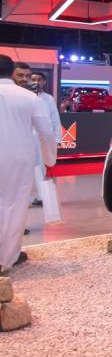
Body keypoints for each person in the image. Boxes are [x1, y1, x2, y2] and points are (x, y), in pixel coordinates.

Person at [0, 54, 57, 273]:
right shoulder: (29, 98)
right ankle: (7, 258)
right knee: (15, 206)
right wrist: (49, 159)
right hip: (19, 157)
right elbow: (46, 131)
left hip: (18, 156)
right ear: (11, 72)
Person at [29, 71, 62, 207]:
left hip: (42, 139)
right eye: (33, 79)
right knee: (26, 168)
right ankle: (26, 197)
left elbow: (55, 119)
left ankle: (40, 196)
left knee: (41, 167)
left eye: (39, 80)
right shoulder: (25, 97)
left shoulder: (49, 99)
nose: (36, 82)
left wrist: (57, 138)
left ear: (44, 82)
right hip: (26, 138)